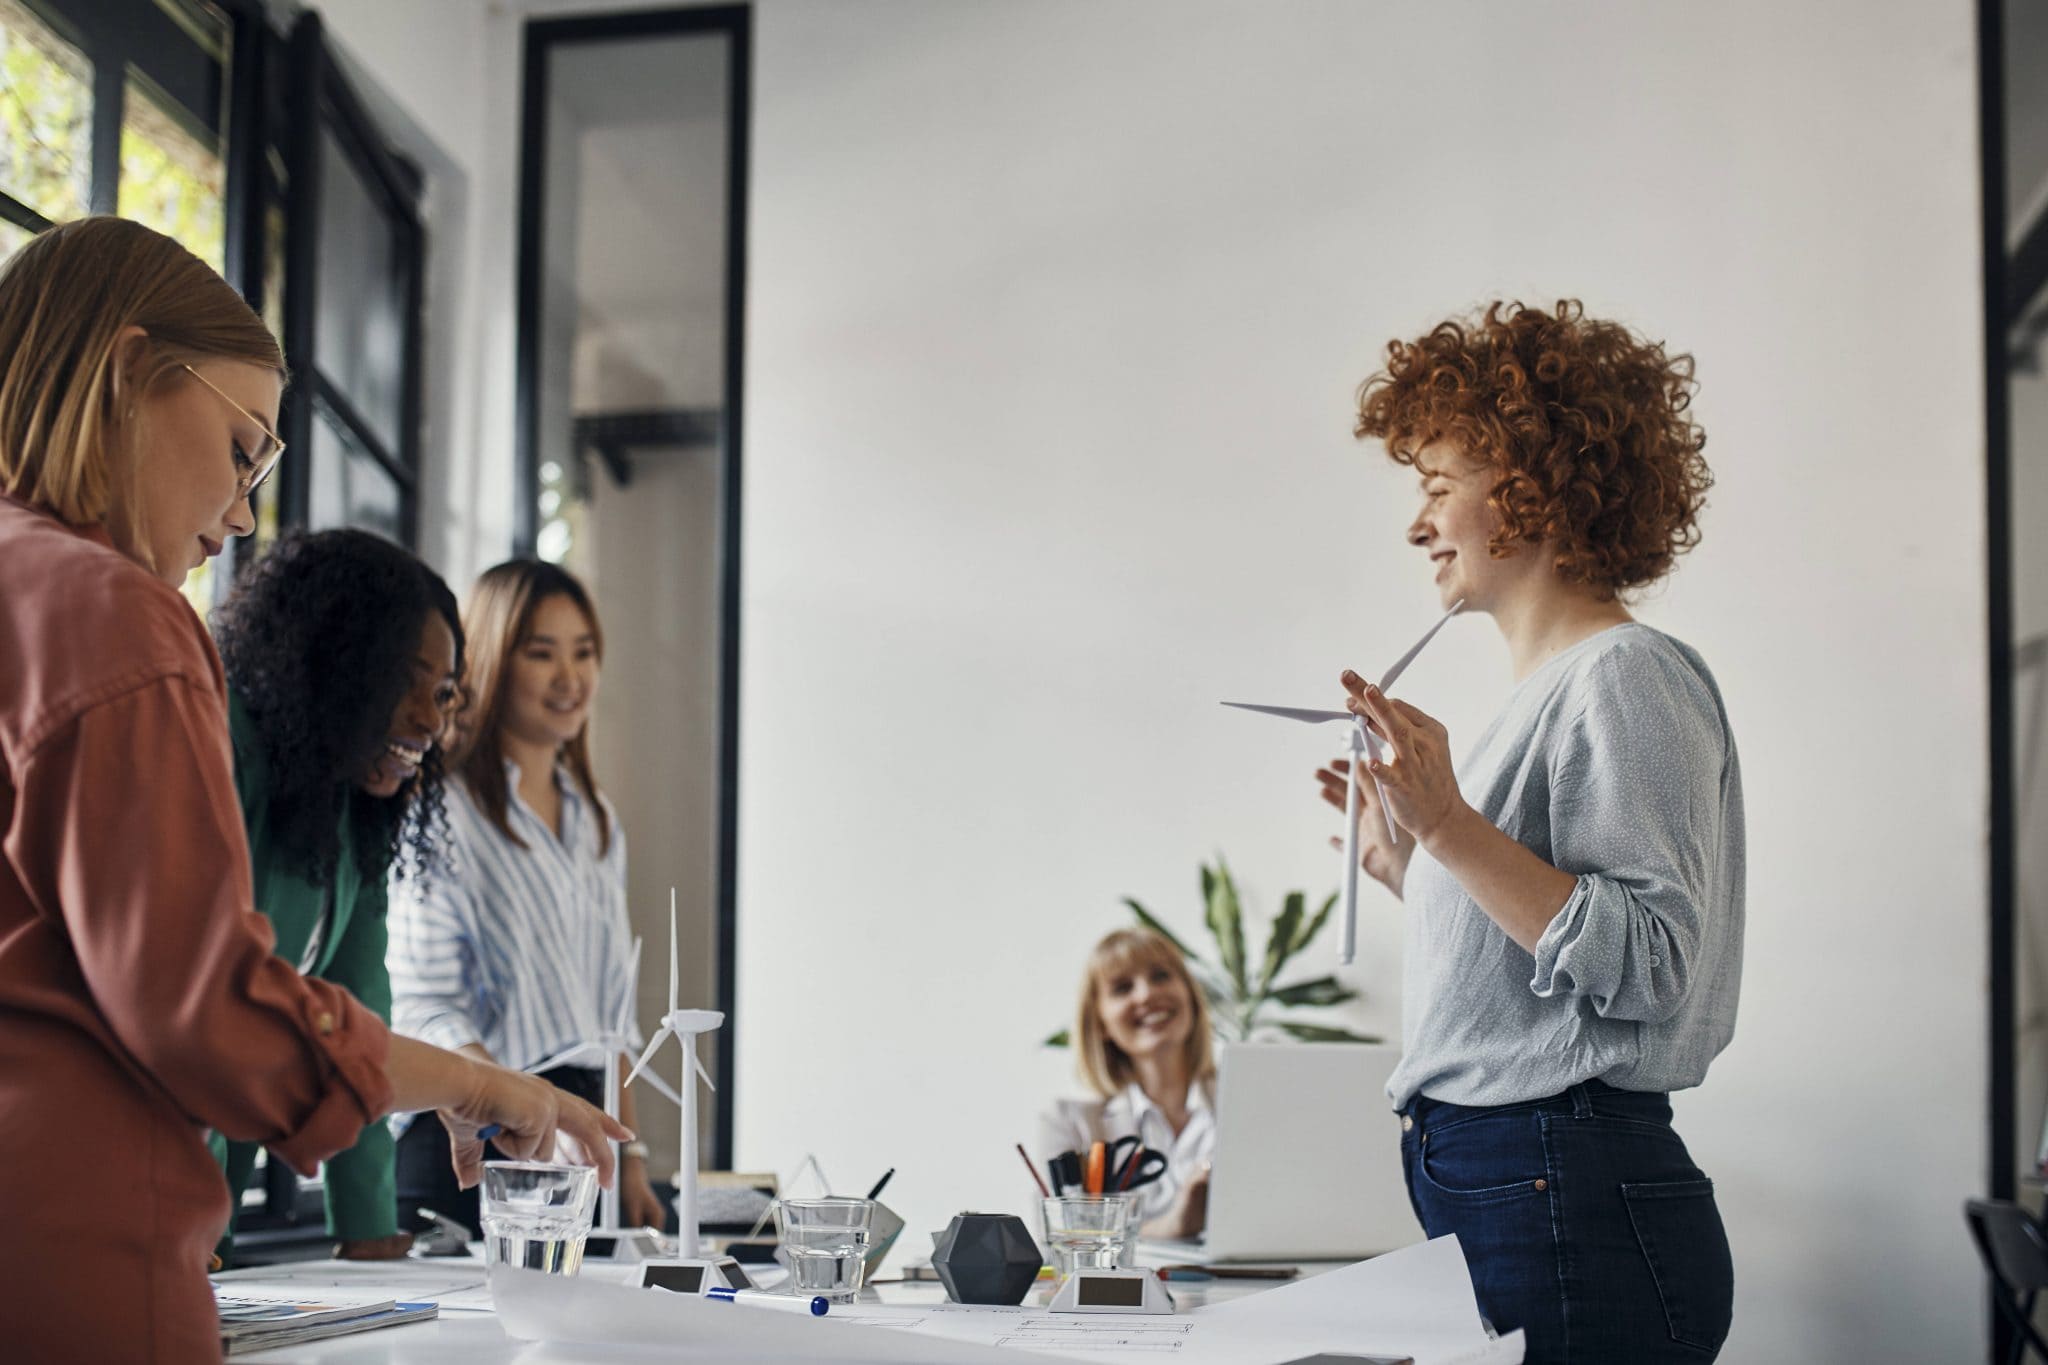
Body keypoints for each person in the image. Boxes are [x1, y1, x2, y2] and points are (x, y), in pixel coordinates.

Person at [0, 217, 627, 1364]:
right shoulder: (114, 615)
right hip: (72, 1260)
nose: (242, 509)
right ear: (133, 370)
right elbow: (212, 1010)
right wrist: (488, 1086)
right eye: (244, 450)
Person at [1318, 300, 1740, 1363]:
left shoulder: (1625, 675)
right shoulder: (1549, 693)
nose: (1418, 526)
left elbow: (1648, 966)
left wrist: (1451, 827)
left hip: (1563, 1183)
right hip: (1523, 1179)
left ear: (1529, 487)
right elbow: (1537, 971)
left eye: (1435, 489)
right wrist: (1412, 862)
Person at [208, 527, 469, 1263]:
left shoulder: (356, 813)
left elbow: (362, 1008)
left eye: (444, 693)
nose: (429, 717)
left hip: (209, 1211)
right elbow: (200, 1002)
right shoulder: (225, 745)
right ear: (331, 660)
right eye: (404, 680)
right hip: (137, 1186)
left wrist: (366, 1229)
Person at [389, 559, 666, 1236]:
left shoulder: (596, 819)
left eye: (585, 652)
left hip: (580, 1143)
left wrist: (631, 1160)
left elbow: (615, 1011)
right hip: (472, 1142)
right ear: (489, 661)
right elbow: (423, 1001)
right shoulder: (439, 807)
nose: (570, 678)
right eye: (542, 653)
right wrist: (503, 1097)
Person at [1036, 928, 1216, 1238]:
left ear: (1190, 995)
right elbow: (1061, 1240)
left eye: (1161, 976)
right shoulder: (1070, 1123)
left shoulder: (1253, 1100)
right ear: (1101, 1023)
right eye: (1122, 988)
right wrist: (1173, 1226)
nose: (1146, 994)